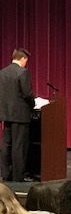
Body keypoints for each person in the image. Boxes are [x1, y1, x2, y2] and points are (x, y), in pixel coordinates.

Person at [0, 48, 35, 182]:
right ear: (23, 58)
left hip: (6, 115)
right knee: (18, 146)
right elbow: (27, 93)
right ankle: (18, 176)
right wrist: (33, 103)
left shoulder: (2, 73)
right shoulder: (23, 72)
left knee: (6, 144)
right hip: (20, 115)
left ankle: (5, 173)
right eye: (26, 60)